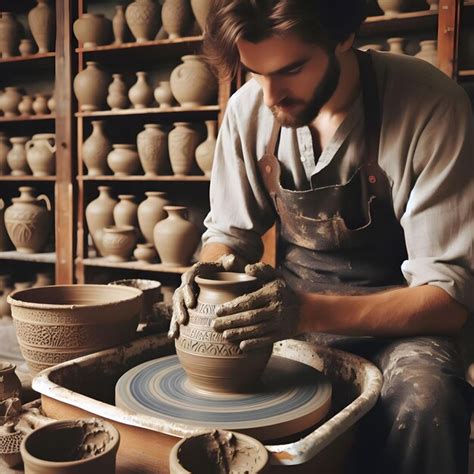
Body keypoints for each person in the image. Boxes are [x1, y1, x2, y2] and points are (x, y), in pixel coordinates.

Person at [169, 1, 474, 472]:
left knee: (427, 398)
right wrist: (211, 264)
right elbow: (229, 233)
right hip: (288, 309)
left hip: (402, 322)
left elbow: (448, 299)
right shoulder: (248, 108)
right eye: (255, 72)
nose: (271, 95)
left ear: (344, 37)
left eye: (291, 68)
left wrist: (305, 311)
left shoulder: (429, 103)